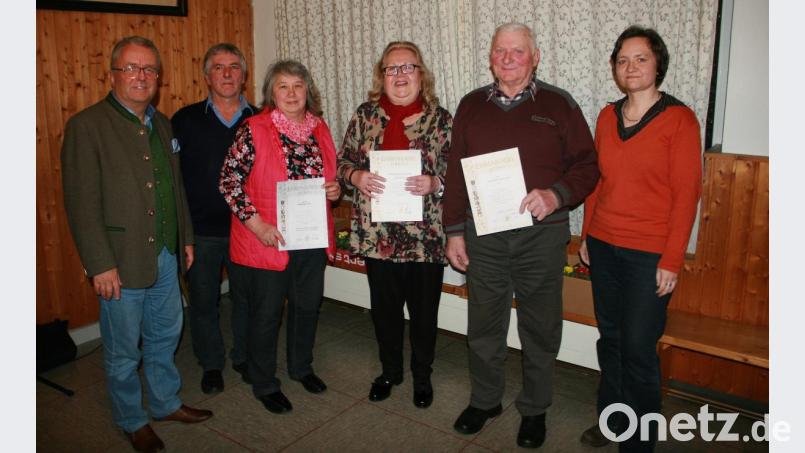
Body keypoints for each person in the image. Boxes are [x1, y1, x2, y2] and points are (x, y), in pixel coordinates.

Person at [443, 23, 599, 448]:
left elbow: (588, 166)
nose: (507, 58)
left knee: (540, 327)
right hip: (484, 237)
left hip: (541, 237)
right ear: (490, 57)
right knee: (484, 325)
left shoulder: (560, 104)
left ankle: (534, 408)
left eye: (517, 51)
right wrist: (454, 232)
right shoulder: (471, 105)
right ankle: (486, 400)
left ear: (535, 57)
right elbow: (455, 173)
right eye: (499, 51)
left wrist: (556, 194)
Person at [61, 36, 212, 453]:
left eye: (149, 69)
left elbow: (174, 188)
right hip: (119, 262)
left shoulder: (161, 124)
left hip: (165, 254)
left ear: (158, 78)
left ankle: (165, 403)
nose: (141, 76)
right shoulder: (86, 126)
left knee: (166, 335)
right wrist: (98, 263)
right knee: (124, 349)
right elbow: (81, 202)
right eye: (132, 68)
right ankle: (131, 418)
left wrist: (185, 238)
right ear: (112, 75)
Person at [578, 25, 702, 452]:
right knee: (609, 339)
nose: (630, 67)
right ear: (614, 67)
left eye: (641, 58)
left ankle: (640, 440)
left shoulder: (680, 120)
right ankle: (612, 421)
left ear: (658, 64)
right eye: (623, 59)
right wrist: (586, 235)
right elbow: (597, 182)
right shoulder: (606, 116)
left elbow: (688, 195)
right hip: (605, 245)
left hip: (649, 255)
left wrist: (671, 259)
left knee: (637, 348)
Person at [219, 59, 341, 415]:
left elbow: (329, 179)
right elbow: (228, 181)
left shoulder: (320, 128)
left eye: (298, 86)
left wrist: (334, 191)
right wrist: (256, 225)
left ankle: (301, 367)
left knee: (307, 307)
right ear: (272, 93)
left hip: (311, 238)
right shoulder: (253, 128)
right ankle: (264, 382)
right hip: (267, 240)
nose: (291, 93)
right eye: (282, 86)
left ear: (308, 91)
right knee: (266, 314)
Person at [337, 41, 452, 409]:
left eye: (408, 67)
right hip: (378, 238)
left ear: (421, 73)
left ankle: (422, 376)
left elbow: (459, 173)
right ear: (381, 76)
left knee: (423, 314)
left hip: (425, 239)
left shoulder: (442, 119)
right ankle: (390, 372)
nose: (400, 75)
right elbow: (341, 163)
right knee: (384, 312)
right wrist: (355, 177)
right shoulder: (365, 116)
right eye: (392, 69)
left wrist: (436, 183)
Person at [171, 43, 256, 394]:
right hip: (201, 231)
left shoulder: (261, 119)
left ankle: (243, 356)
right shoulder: (184, 120)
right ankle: (211, 363)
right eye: (218, 67)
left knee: (247, 298)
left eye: (233, 66)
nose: (226, 73)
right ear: (207, 75)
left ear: (243, 74)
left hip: (249, 230)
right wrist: (182, 233)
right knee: (203, 301)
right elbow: (172, 180)